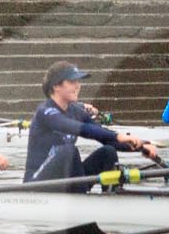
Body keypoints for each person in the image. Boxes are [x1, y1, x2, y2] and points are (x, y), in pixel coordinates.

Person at [24, 61, 161, 191]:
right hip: (37, 183)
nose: (78, 86)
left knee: (108, 152)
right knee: (69, 151)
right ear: (56, 86)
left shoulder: (76, 111)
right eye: (72, 82)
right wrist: (118, 136)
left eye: (78, 81)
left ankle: (111, 195)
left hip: (64, 181)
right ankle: (82, 199)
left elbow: (102, 134)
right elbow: (81, 129)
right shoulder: (45, 112)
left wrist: (141, 146)